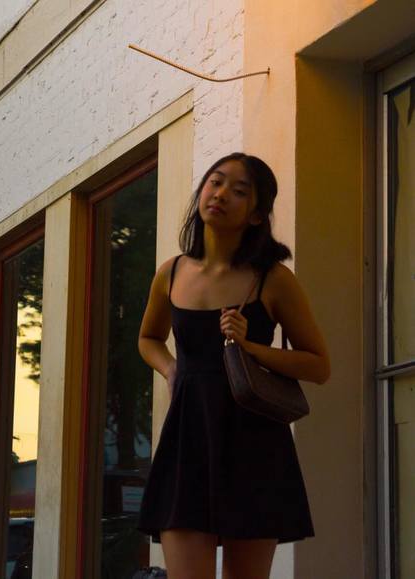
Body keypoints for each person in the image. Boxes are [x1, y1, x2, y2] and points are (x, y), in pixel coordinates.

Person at [136, 152, 330, 579]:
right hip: (188, 437)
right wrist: (170, 369)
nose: (221, 194)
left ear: (257, 214)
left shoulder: (273, 279)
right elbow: (148, 338)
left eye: (239, 190)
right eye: (216, 181)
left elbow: (318, 365)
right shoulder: (171, 273)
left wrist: (250, 347)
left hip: (254, 444)